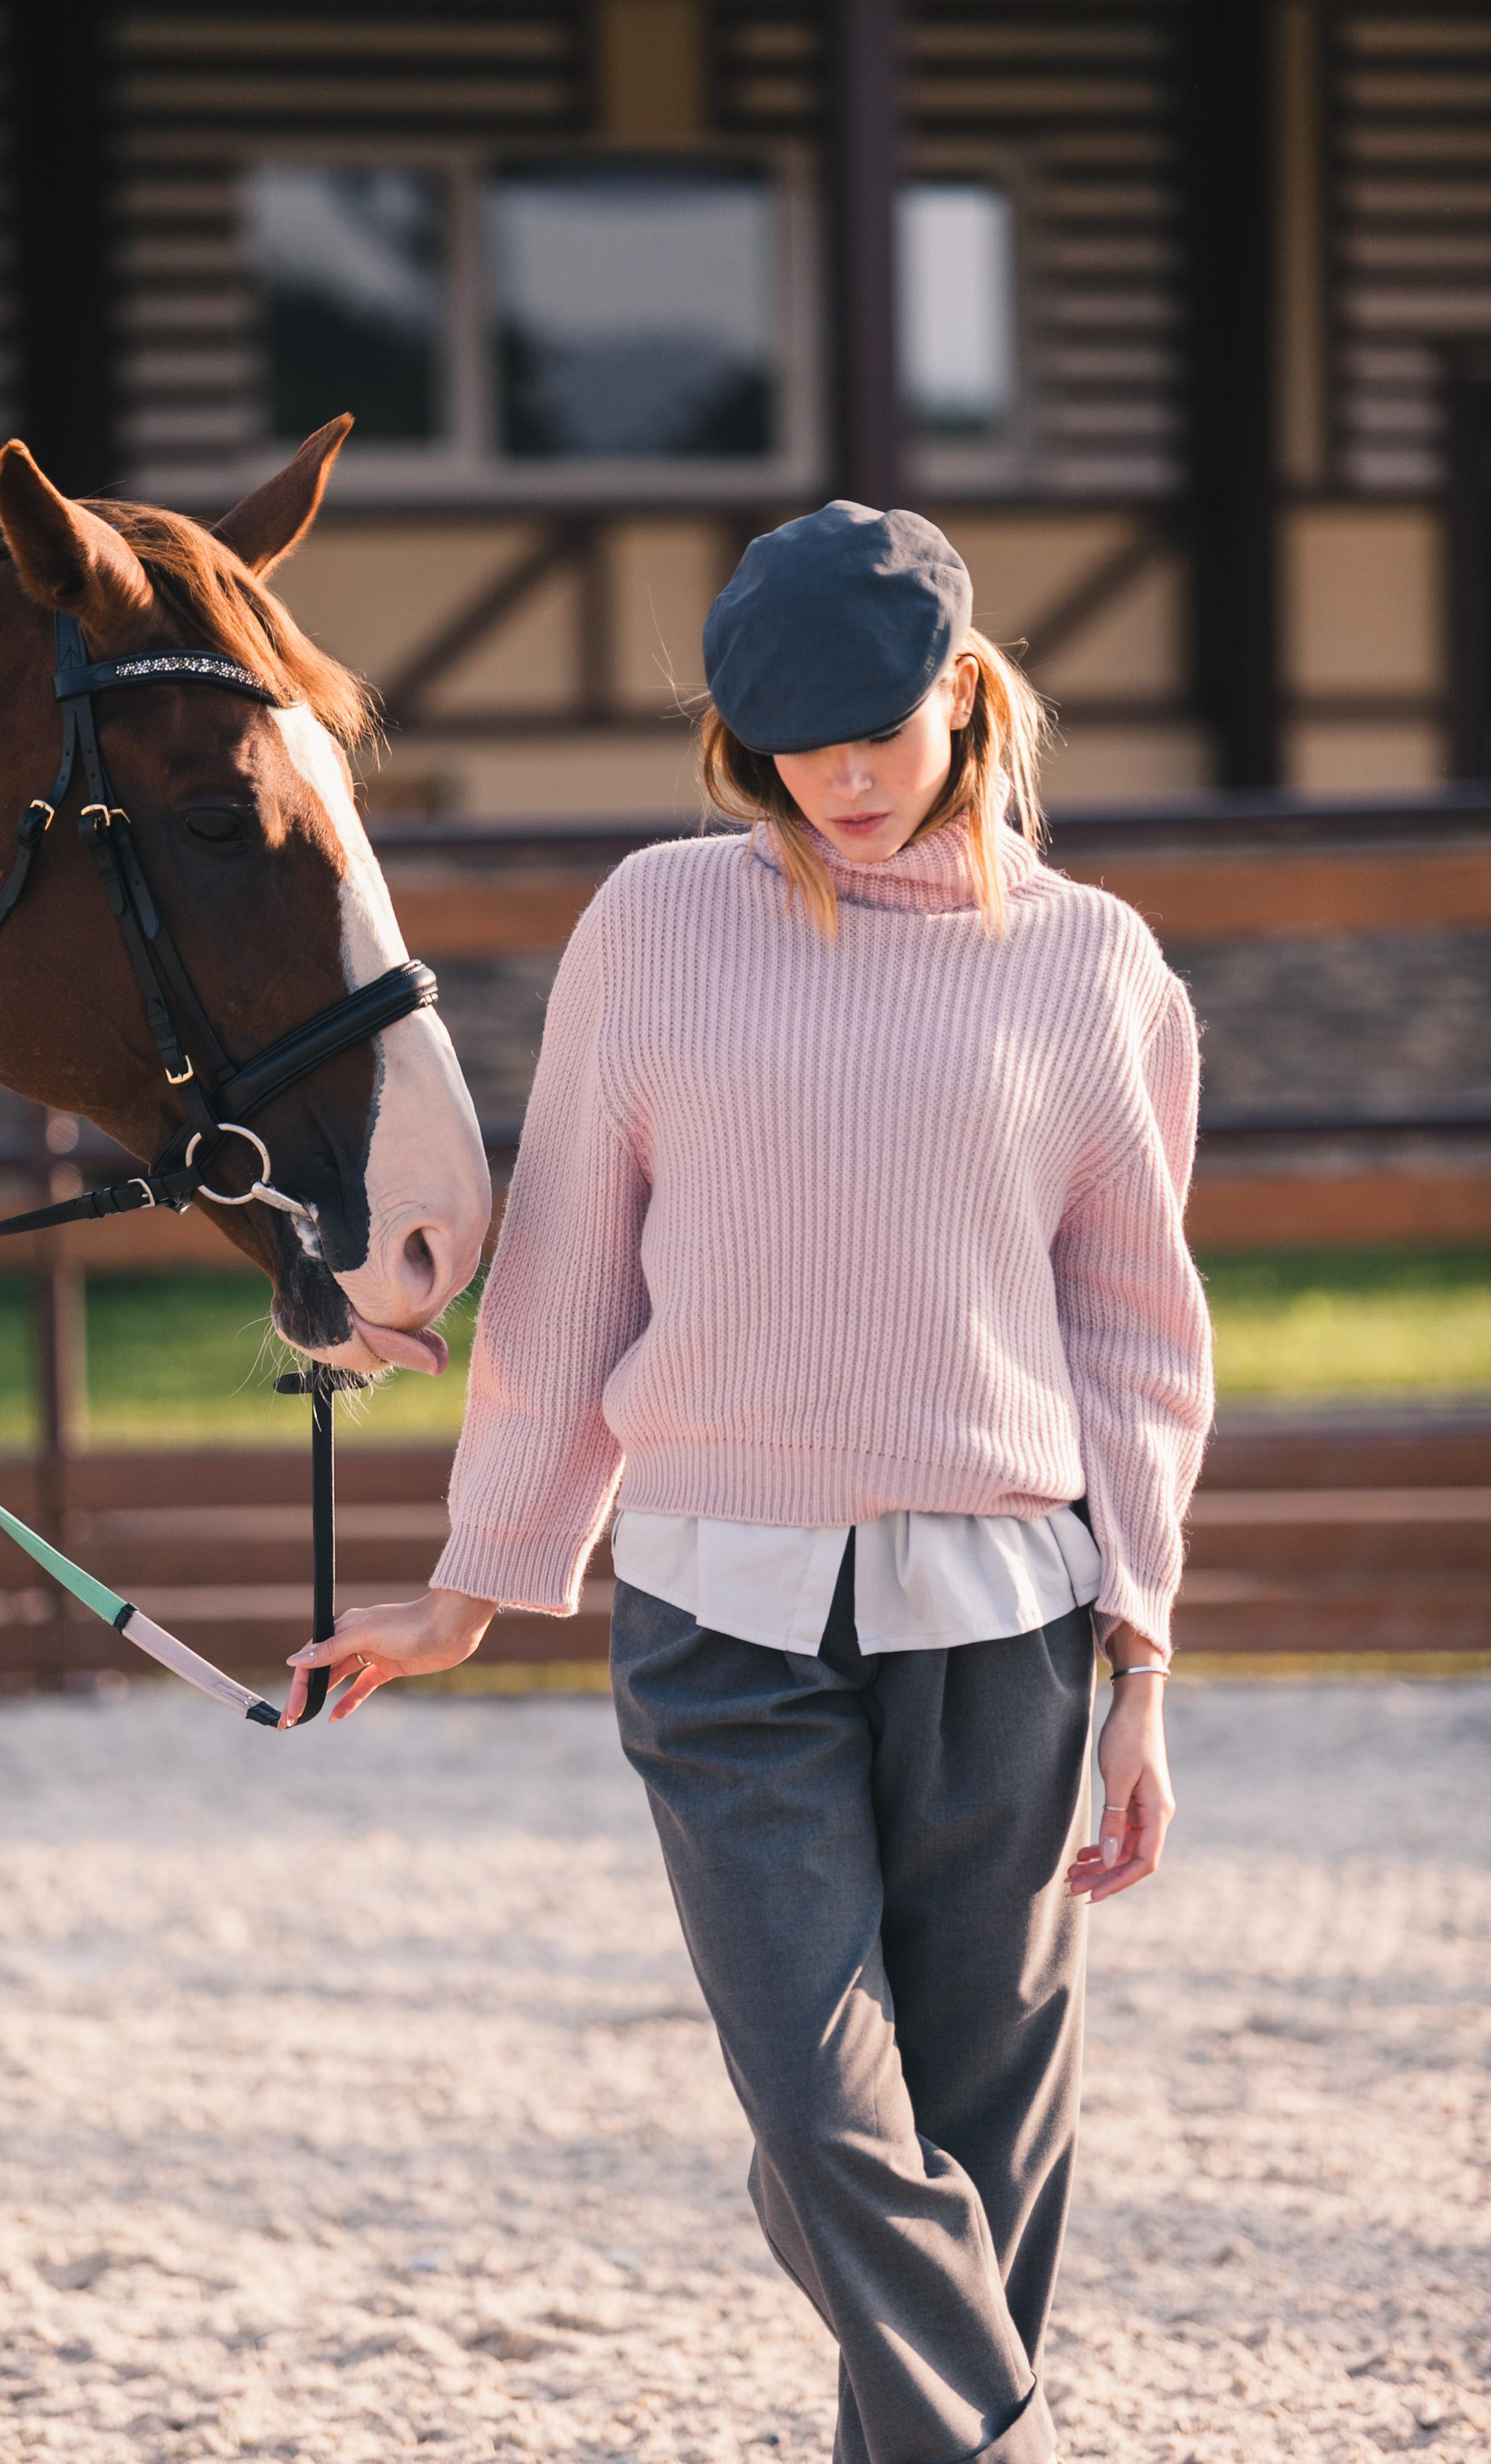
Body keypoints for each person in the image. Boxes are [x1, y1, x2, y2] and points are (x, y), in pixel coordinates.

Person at [286, 502, 1214, 2464]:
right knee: (818, 2119)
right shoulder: (658, 921)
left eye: (878, 727)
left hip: (1014, 1625)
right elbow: (568, 1278)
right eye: (795, 743)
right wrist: (474, 1578)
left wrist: (1142, 1660)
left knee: (974, 2128)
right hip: (723, 1625)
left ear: (967, 696)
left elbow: (1138, 1338)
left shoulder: (1094, 967)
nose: (844, 779)